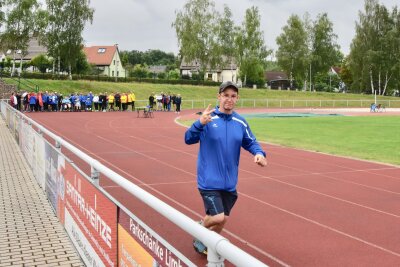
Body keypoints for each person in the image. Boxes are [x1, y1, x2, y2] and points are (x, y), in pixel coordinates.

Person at [184, 81, 267, 255]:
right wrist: (199, 123)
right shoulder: (208, 118)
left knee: (223, 220)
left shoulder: (240, 122)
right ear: (219, 96)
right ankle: (197, 229)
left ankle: (204, 244)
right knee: (218, 217)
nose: (229, 99)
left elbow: (251, 141)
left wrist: (259, 154)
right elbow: (188, 139)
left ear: (237, 99)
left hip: (229, 182)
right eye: (225, 95)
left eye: (233, 96)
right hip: (209, 180)